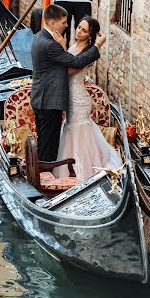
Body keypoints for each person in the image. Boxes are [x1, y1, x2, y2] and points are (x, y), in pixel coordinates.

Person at [30, 4, 106, 163]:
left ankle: (45, 172)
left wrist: (62, 47)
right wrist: (98, 45)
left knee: (47, 142)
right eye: (64, 22)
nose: (68, 26)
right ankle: (45, 175)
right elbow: (75, 63)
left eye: (83, 30)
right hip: (49, 100)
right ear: (52, 23)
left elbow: (72, 63)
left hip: (56, 98)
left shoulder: (40, 37)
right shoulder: (51, 44)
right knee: (48, 145)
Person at [53, 16, 122, 180]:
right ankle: (70, 169)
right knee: (71, 131)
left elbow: (70, 70)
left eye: (84, 30)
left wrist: (61, 49)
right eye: (78, 27)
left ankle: (82, 173)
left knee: (78, 133)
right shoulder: (74, 45)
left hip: (78, 99)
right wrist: (63, 47)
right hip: (71, 97)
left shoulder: (87, 53)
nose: (78, 31)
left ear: (90, 35)